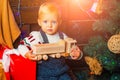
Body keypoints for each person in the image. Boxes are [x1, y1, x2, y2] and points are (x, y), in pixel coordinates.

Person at [18, 2, 83, 80]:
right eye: (45, 21)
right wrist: (27, 54)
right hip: (44, 75)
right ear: (39, 22)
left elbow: (70, 51)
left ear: (59, 22)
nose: (49, 25)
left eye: (53, 22)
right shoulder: (37, 36)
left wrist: (77, 54)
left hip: (62, 73)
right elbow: (21, 46)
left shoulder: (63, 37)